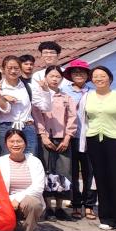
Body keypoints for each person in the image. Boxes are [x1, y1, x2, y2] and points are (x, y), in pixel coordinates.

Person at [77, 66, 116, 231]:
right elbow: (82, 119)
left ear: (109, 78)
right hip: (94, 140)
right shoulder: (86, 97)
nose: (99, 79)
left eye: (102, 76)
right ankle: (107, 219)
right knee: (100, 180)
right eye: (95, 76)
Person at [32, 65, 77, 221]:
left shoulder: (66, 97)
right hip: (45, 138)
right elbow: (37, 117)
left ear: (62, 79)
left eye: (58, 76)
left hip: (62, 139)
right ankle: (48, 207)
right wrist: (43, 136)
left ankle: (59, 207)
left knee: (63, 172)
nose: (54, 79)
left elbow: (72, 118)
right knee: (47, 171)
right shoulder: (39, 96)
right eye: (51, 76)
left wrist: (67, 137)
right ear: (45, 78)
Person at [0, 128, 46, 231]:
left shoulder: (35, 161)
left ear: (25, 143)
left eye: (19, 141)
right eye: (11, 141)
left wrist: (17, 199)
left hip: (27, 201)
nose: (15, 144)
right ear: (6, 144)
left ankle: (31, 230)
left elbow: (38, 188)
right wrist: (10, 201)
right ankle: (12, 224)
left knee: (33, 203)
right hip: (6, 202)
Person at [62, 59, 96, 220]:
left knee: (90, 172)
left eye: (82, 72)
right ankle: (75, 204)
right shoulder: (63, 91)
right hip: (71, 137)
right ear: (70, 75)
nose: (79, 75)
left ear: (87, 75)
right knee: (73, 173)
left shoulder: (93, 92)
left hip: (90, 137)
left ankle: (89, 205)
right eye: (75, 72)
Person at [0, 55, 38, 156]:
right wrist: (2, 96)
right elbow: (5, 110)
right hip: (7, 127)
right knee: (8, 158)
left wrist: (45, 91)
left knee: (30, 158)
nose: (13, 71)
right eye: (9, 68)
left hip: (27, 126)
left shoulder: (28, 86)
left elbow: (44, 106)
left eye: (16, 68)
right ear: (3, 69)